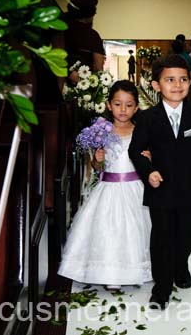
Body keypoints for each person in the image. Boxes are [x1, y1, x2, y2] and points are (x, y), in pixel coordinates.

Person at [129, 54, 191, 309]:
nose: (177, 85)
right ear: (156, 85)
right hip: (161, 188)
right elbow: (135, 150)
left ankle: (180, 263)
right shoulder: (147, 118)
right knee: (162, 237)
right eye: (170, 80)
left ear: (190, 82)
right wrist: (148, 171)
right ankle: (162, 286)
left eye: (183, 79)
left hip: (188, 187)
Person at [58, 80, 152, 289]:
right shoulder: (102, 131)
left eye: (129, 105)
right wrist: (97, 158)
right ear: (109, 105)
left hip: (134, 188)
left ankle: (135, 269)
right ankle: (111, 274)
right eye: (118, 104)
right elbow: (98, 167)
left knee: (134, 231)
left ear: (136, 107)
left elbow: (148, 162)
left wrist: (149, 157)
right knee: (109, 230)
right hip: (108, 188)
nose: (123, 110)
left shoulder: (141, 131)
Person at [63, 0, 105, 83]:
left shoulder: (59, 29)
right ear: (91, 14)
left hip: (55, 82)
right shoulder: (92, 36)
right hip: (83, 87)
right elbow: (98, 68)